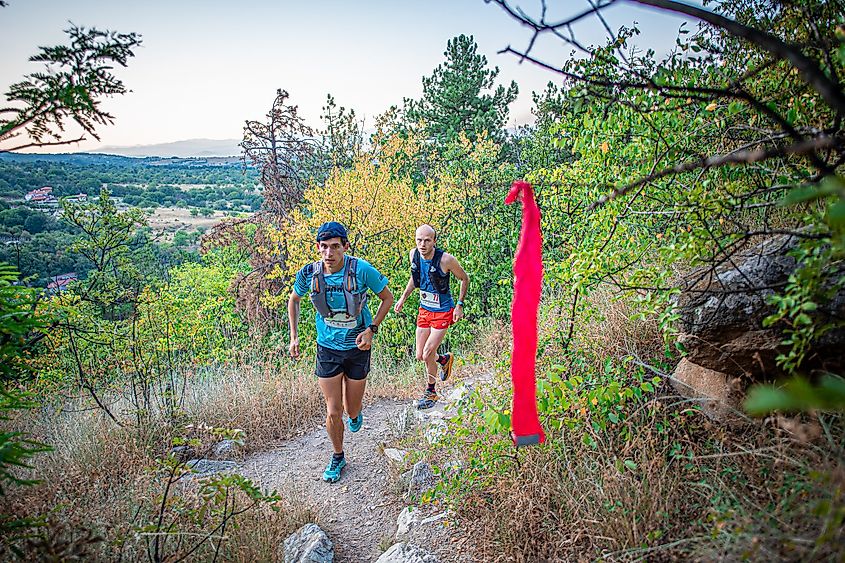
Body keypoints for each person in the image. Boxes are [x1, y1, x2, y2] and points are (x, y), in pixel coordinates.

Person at [288, 221, 394, 483]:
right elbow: (294, 299)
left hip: (358, 347)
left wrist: (371, 329)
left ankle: (356, 415)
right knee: (333, 410)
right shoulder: (309, 273)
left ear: (345, 247)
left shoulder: (362, 270)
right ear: (318, 248)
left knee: (351, 407)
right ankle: (338, 456)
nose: (329, 253)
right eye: (324, 247)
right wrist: (294, 336)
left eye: (335, 247)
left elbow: (387, 298)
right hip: (327, 348)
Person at [394, 224, 469, 409]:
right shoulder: (414, 255)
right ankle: (444, 360)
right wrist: (403, 298)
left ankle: (431, 392)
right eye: (419, 240)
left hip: (443, 310)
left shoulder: (446, 260)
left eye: (427, 240)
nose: (422, 244)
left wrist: (459, 306)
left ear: (434, 241)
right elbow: (415, 278)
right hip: (424, 309)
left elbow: (464, 278)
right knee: (420, 355)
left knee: (428, 352)